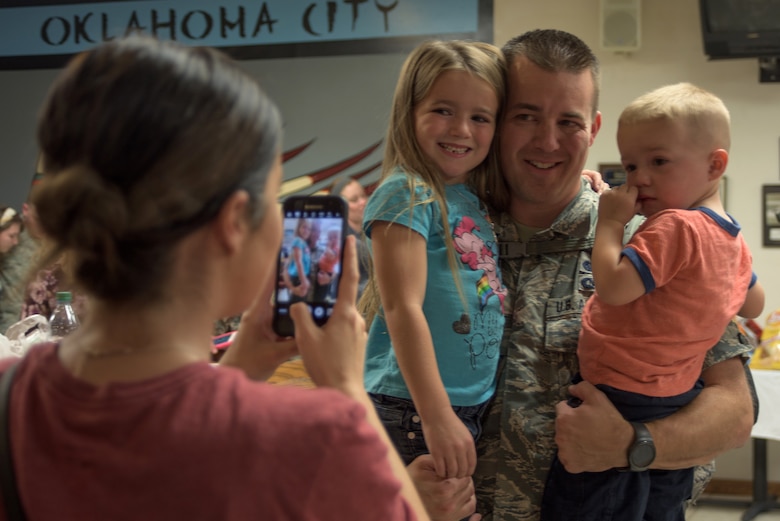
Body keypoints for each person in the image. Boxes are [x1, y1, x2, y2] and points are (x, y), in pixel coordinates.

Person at [0, 35, 434, 520]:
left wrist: (241, 367)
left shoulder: (11, 395)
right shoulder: (313, 435)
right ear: (233, 222)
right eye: (274, 198)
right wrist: (349, 397)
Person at [416, 29, 755, 521]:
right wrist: (400, 488)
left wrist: (633, 443)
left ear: (593, 129)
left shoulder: (654, 243)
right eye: (526, 116)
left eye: (568, 122)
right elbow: (372, 389)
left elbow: (734, 410)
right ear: (494, 120)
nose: (548, 141)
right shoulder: (435, 236)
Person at [540, 82, 765, 520]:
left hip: (623, 386)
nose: (639, 177)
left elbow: (614, 287)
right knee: (661, 501)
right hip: (676, 392)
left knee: (589, 502)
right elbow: (752, 302)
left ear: (714, 164)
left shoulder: (674, 227)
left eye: (658, 162)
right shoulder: (731, 237)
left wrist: (609, 224)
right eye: (631, 164)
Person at [359, 39, 508, 485]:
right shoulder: (407, 192)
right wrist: (436, 415)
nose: (461, 129)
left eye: (480, 117)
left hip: (462, 403)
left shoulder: (470, 197)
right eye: (443, 110)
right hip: (413, 405)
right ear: (410, 112)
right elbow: (403, 308)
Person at [330, 177, 370, 299]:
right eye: (354, 200)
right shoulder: (341, 243)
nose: (362, 202)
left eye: (363, 196)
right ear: (341, 206)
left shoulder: (373, 232)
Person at [280, 217, 312, 303]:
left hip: (301, 276)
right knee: (298, 301)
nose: (306, 231)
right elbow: (299, 262)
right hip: (299, 277)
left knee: (300, 301)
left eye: (309, 229)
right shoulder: (298, 241)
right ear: (298, 228)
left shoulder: (303, 243)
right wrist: (304, 280)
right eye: (304, 227)